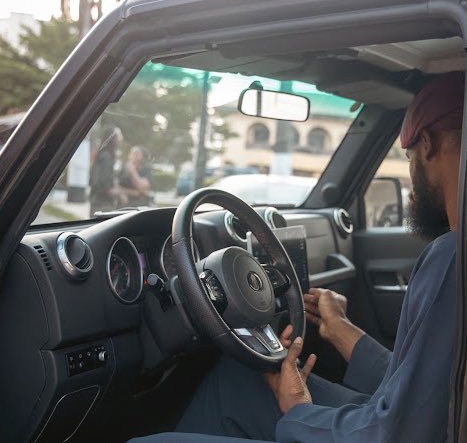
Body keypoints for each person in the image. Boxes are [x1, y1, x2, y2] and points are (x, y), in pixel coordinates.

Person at [129, 71, 464, 442]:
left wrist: (300, 410)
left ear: (428, 144)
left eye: (409, 156)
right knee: (236, 380)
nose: (409, 177)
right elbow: (428, 385)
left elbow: (399, 432)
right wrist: (340, 330)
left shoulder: (452, 258)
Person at [89, 125, 124, 215]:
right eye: (119, 135)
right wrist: (116, 193)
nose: (121, 138)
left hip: (98, 200)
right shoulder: (106, 157)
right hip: (102, 203)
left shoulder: (105, 154)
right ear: (113, 138)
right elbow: (103, 181)